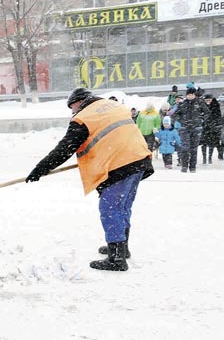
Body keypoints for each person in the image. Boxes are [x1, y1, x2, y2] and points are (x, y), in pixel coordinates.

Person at [25, 88, 153, 272]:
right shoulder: (113, 106)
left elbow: (65, 149)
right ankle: (121, 248)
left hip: (118, 165)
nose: (73, 111)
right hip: (139, 159)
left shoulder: (84, 117)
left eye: (72, 107)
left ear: (80, 101)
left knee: (110, 208)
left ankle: (116, 258)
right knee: (123, 206)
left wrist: (41, 168)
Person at [173, 86, 210, 173]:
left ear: (194, 95)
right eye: (188, 95)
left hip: (196, 128)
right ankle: (184, 166)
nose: (190, 96)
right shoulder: (183, 104)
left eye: (192, 94)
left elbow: (207, 112)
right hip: (184, 128)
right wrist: (181, 120)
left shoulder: (199, 103)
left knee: (194, 149)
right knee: (185, 148)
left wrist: (201, 120)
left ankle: (192, 167)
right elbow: (176, 114)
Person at [201, 93, 222, 164]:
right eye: (206, 100)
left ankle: (210, 157)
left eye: (209, 100)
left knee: (212, 143)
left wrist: (213, 123)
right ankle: (204, 158)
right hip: (204, 127)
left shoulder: (215, 105)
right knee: (204, 143)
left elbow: (218, 116)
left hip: (213, 127)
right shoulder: (202, 106)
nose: (208, 101)